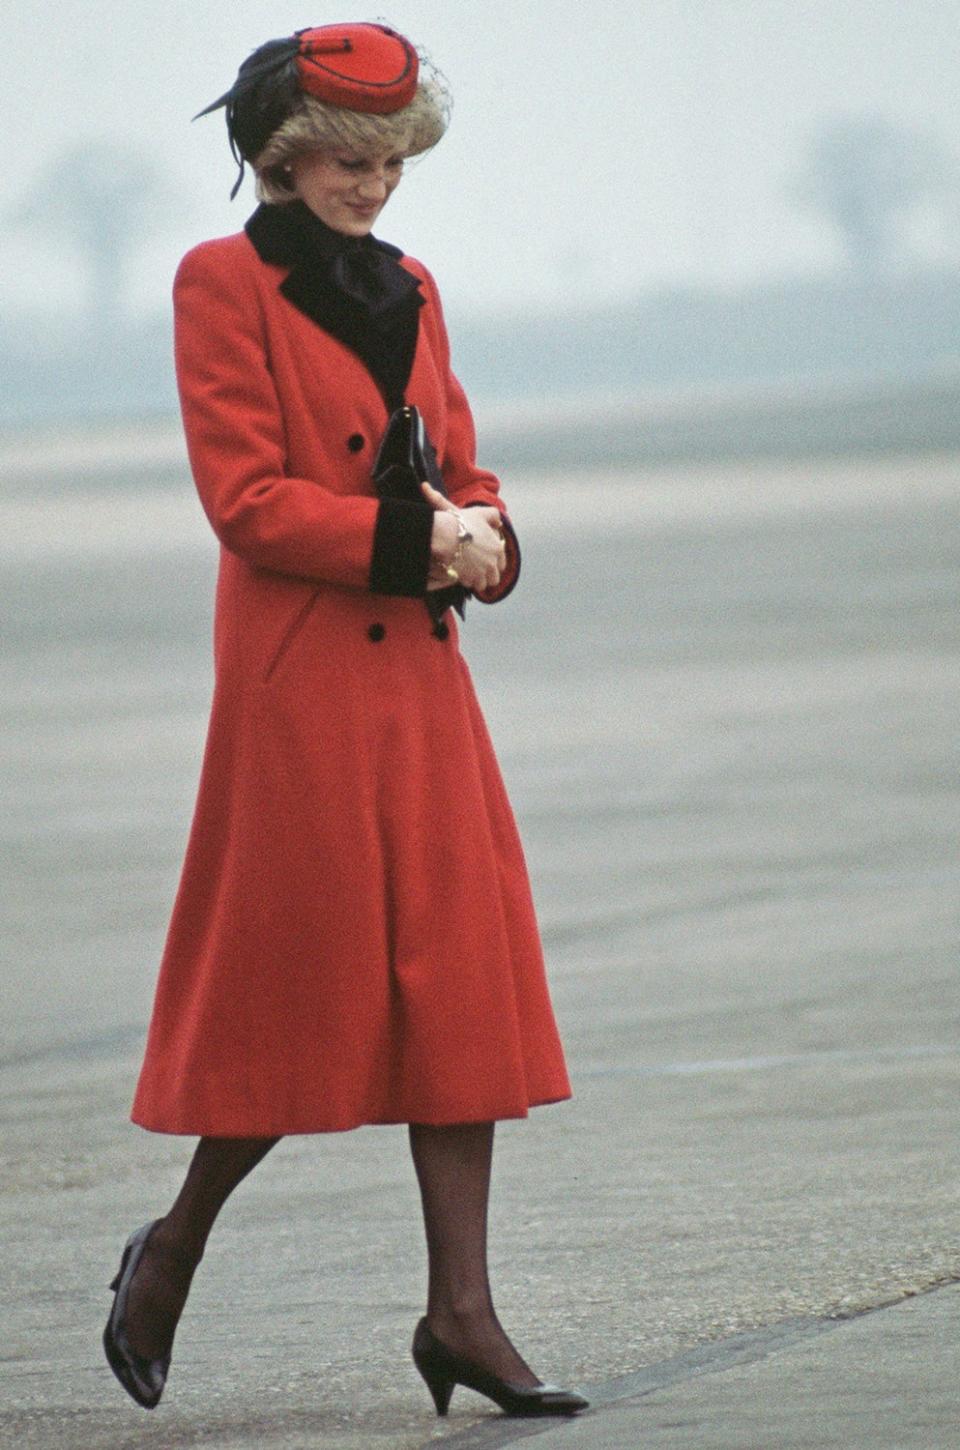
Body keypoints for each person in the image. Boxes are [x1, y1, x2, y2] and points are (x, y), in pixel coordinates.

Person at [102, 22, 587, 1421]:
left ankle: (463, 1311)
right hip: (300, 678)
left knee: (459, 985)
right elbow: (244, 501)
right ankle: (175, 1245)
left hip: (419, 682)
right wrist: (416, 544)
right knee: (294, 988)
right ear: (281, 152)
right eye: (351, 158)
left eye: (394, 160)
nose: (377, 184)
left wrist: (488, 531)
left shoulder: (416, 286)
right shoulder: (219, 282)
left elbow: (457, 448)